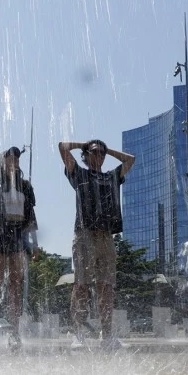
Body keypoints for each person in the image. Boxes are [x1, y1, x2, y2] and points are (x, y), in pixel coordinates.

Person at [58, 139, 135, 351]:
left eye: (102, 153)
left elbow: (131, 160)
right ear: (85, 154)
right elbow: (62, 147)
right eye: (94, 152)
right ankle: (79, 334)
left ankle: (107, 335)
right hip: (84, 234)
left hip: (106, 237)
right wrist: (85, 143)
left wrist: (107, 149)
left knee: (106, 287)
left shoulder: (111, 176)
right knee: (81, 285)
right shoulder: (79, 174)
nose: (99, 155)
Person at [0, 146, 38, 352]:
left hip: (18, 240)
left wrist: (34, 244)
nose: (14, 160)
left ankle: (15, 333)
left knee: (15, 287)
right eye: (9, 157)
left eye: (16, 158)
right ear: (2, 161)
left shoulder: (25, 186)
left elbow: (31, 217)